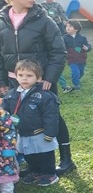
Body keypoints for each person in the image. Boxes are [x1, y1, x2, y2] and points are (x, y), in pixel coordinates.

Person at [0, 0, 76, 176]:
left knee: (52, 116)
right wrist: (2, 81)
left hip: (41, 82)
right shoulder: (2, 20)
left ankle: (66, 159)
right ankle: (32, 162)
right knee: (21, 119)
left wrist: (49, 78)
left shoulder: (44, 20)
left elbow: (58, 52)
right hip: (13, 83)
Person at [2, 60, 60, 186]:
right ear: (16, 76)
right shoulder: (11, 95)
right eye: (21, 75)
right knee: (29, 155)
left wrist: (50, 133)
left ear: (38, 78)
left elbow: (51, 116)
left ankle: (49, 174)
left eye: (29, 76)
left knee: (44, 155)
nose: (24, 79)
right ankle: (36, 171)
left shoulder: (44, 96)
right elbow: (4, 112)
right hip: (22, 133)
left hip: (40, 133)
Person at [60, 20, 91, 93]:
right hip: (72, 59)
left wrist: (87, 48)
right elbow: (62, 47)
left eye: (70, 26)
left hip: (82, 59)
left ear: (76, 29)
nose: (67, 28)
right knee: (75, 72)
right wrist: (64, 52)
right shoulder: (64, 38)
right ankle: (76, 85)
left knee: (81, 72)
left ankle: (77, 79)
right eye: (67, 26)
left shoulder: (82, 38)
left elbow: (88, 45)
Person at [0, 97, 15, 193]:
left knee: (6, 174)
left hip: (2, 151)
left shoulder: (2, 114)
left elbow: (9, 132)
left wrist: (8, 149)